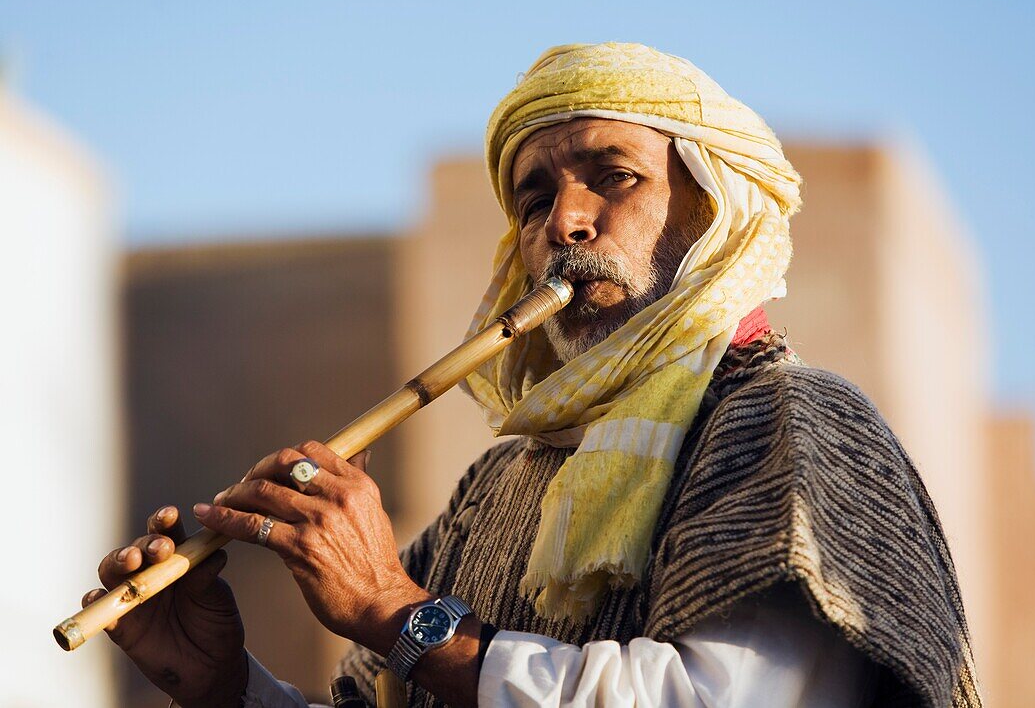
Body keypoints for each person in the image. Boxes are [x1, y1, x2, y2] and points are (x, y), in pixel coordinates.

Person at [87, 43, 982, 707]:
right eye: (535, 199)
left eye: (613, 178)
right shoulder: (500, 485)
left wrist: (399, 611)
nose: (567, 223)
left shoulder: (790, 420)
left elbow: (715, 699)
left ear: (717, 215)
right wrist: (224, 686)